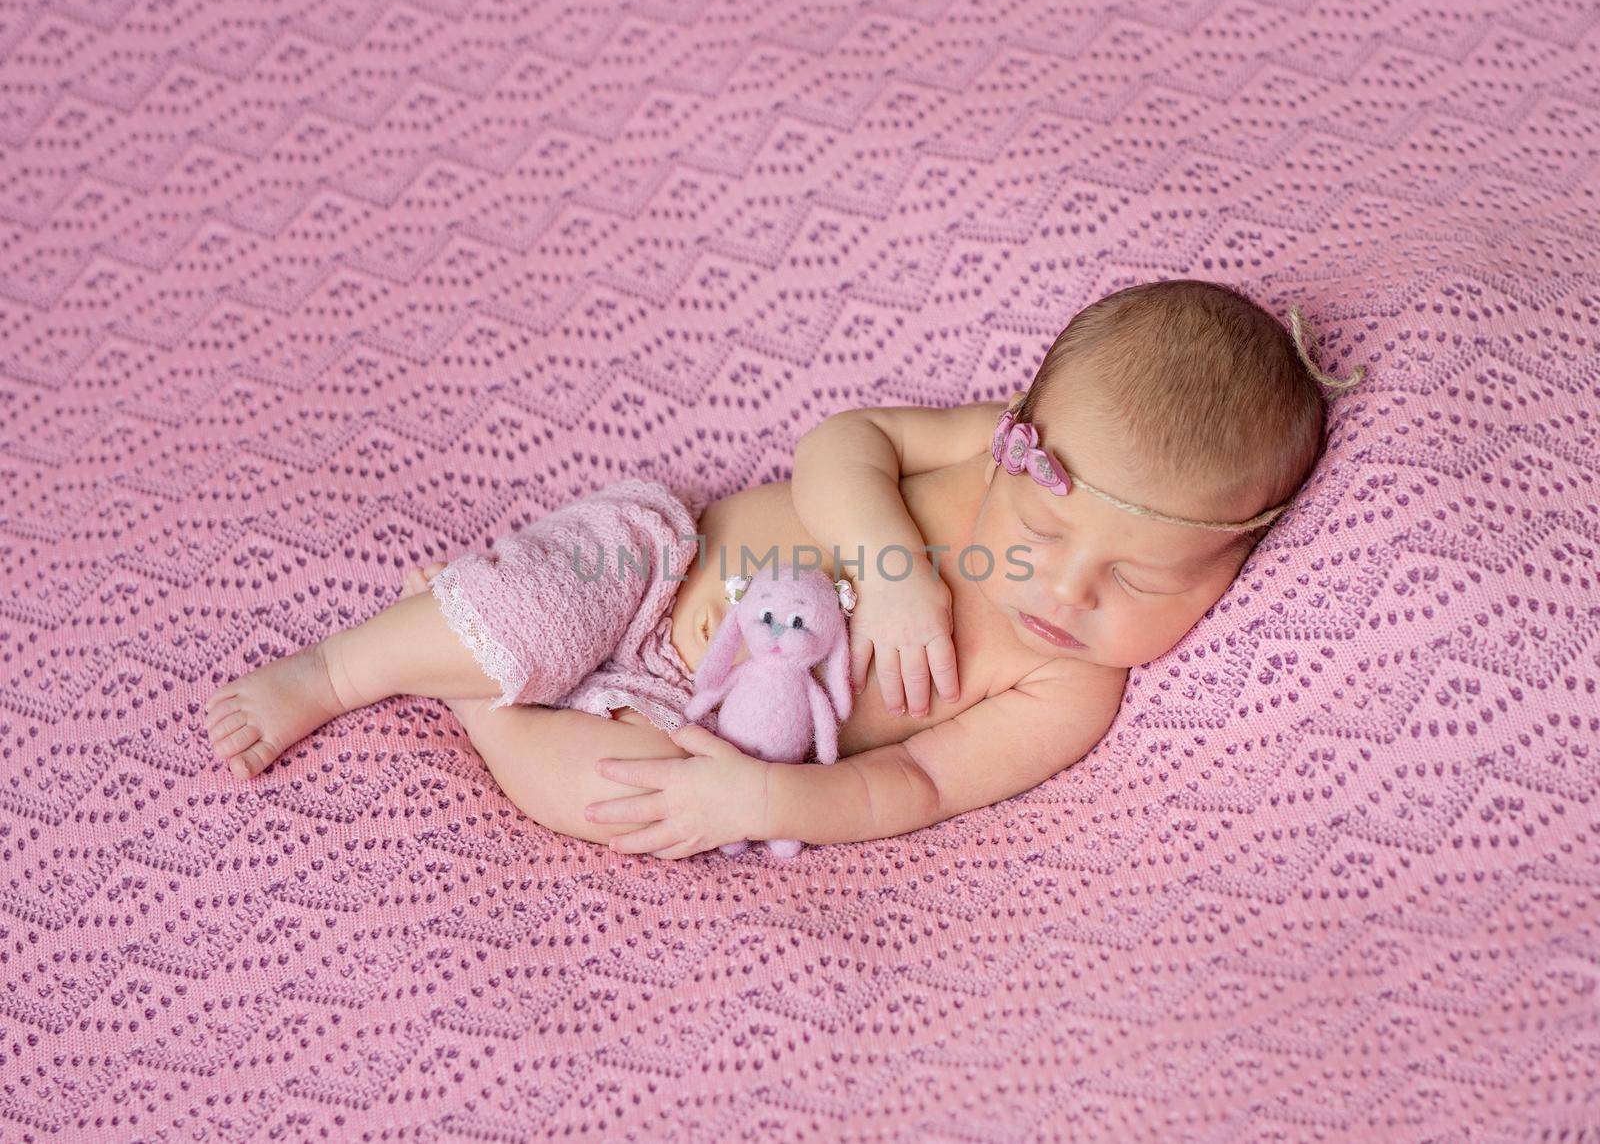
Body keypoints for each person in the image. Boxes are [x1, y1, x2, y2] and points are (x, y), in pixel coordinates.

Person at [203, 278, 1363, 859]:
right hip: (662, 566)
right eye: (1049, 533)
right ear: (1026, 424)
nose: (1064, 590)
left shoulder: (1069, 690)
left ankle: (487, 704)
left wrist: (759, 800)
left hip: (693, 721)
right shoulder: (981, 437)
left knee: (621, 794)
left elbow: (918, 785)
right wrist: (895, 564)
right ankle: (336, 674)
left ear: (1231, 570)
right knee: (550, 589)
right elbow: (839, 445)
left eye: (1145, 583)